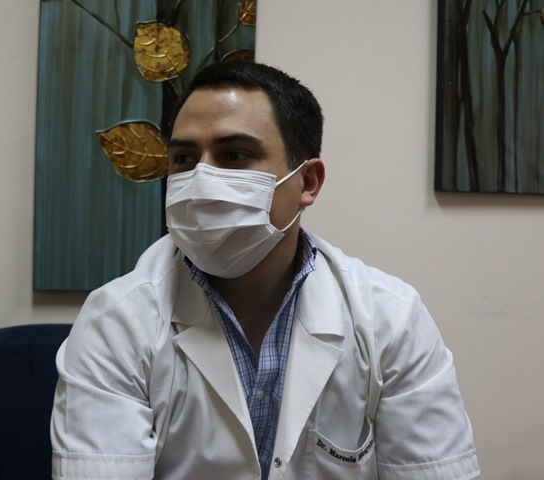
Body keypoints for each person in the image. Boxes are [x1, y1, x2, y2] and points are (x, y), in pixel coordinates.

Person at [51, 61, 480, 480]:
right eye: (183, 158)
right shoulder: (116, 320)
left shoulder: (391, 318)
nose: (200, 180)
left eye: (234, 155)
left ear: (307, 182)